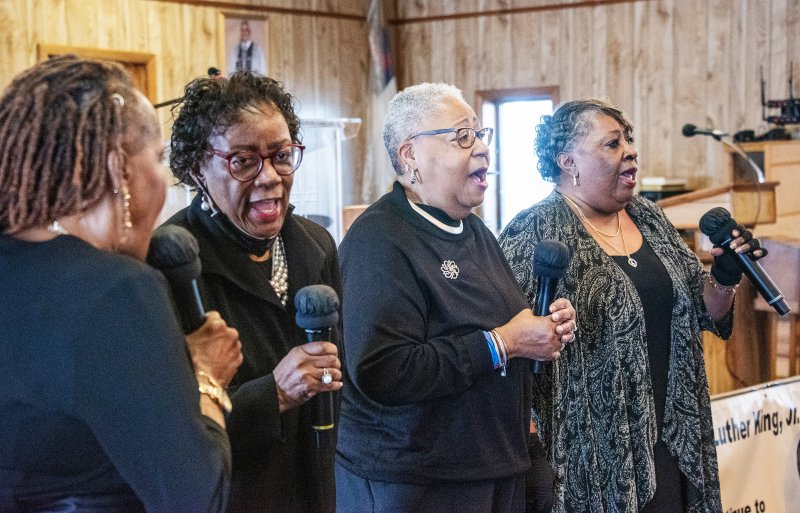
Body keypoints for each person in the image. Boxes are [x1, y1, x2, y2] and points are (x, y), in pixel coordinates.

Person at [498, 98, 767, 513]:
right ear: (568, 161)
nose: (630, 150)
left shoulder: (649, 217)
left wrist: (726, 276)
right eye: (611, 143)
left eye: (629, 139)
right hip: (593, 458)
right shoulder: (534, 229)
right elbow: (510, 338)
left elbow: (703, 311)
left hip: (676, 437)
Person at [0, 55, 242, 512]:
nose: (163, 180)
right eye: (159, 158)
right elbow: (198, 498)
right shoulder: (116, 292)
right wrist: (206, 378)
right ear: (119, 169)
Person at [335, 82, 577, 513]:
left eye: (482, 135)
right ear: (410, 156)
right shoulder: (380, 240)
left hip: (493, 468)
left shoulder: (476, 232)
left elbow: (503, 327)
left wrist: (542, 328)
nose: (482, 149)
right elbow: (384, 371)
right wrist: (503, 342)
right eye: (463, 137)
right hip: (416, 482)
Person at [166, 70, 343, 513]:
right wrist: (274, 394)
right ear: (197, 169)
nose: (270, 176)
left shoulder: (315, 246)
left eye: (281, 156)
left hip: (318, 487)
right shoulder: (173, 266)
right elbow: (166, 435)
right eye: (243, 161)